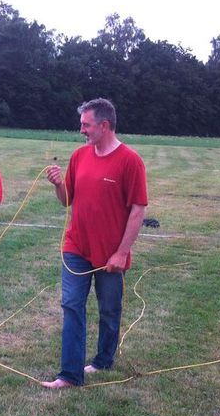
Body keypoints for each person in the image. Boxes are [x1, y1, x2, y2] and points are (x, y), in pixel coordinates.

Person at [40, 98, 147, 389]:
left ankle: (103, 359)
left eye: (86, 125)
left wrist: (121, 253)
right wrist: (59, 184)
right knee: (72, 305)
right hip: (76, 248)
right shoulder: (79, 156)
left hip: (110, 254)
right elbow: (67, 201)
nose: (81, 130)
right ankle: (70, 374)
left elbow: (138, 210)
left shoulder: (130, 160)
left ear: (104, 125)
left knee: (109, 310)